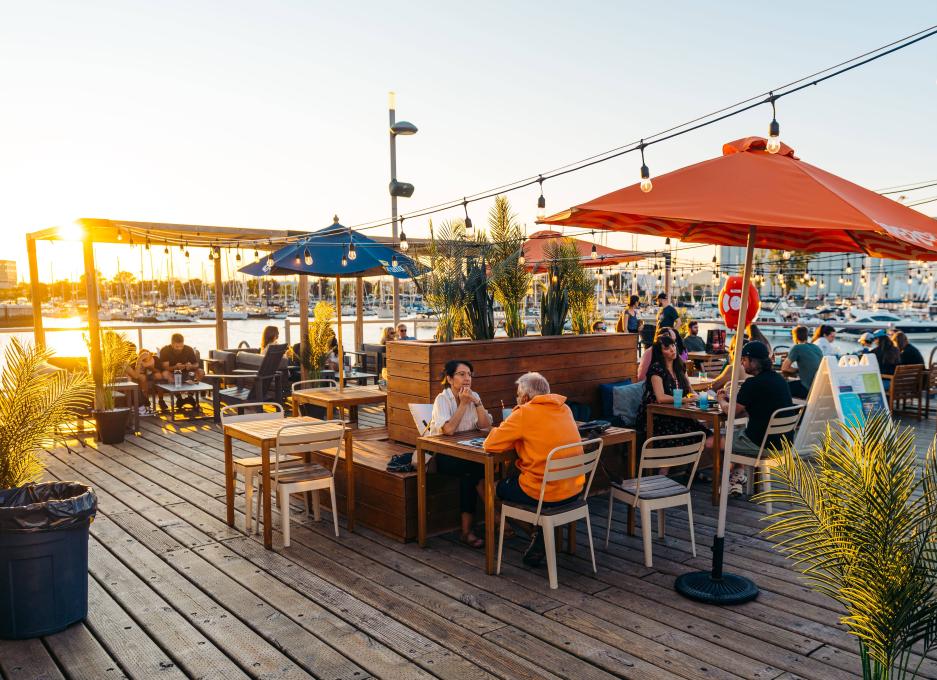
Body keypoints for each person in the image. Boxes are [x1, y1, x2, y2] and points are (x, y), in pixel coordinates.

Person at [484, 372, 585, 567]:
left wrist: (515, 413)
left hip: (545, 494)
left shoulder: (524, 412)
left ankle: (534, 531)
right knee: (519, 476)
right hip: (573, 490)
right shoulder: (564, 409)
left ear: (524, 397)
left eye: (517, 396)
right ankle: (540, 532)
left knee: (493, 488)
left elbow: (490, 444)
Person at [716, 341, 793, 497]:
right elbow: (759, 405)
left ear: (753, 361)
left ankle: (721, 486)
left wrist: (721, 400)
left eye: (744, 360)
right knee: (739, 435)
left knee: (714, 442)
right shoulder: (779, 380)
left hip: (761, 444)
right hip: (784, 444)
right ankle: (737, 477)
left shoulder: (752, 383)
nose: (742, 364)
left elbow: (731, 412)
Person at [430, 360, 492, 548]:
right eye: (462, 374)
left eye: (470, 374)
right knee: (474, 471)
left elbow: (484, 426)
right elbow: (448, 430)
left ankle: (467, 531)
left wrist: (477, 402)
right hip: (444, 455)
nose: (467, 378)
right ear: (449, 378)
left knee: (471, 474)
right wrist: (463, 404)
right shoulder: (442, 399)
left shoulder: (474, 396)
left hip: (468, 455)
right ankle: (496, 517)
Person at [635, 334, 709, 445]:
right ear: (660, 353)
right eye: (666, 348)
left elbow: (689, 389)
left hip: (679, 412)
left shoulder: (680, 366)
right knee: (694, 436)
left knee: (709, 436)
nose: (672, 349)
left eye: (673, 345)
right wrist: (686, 400)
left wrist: (697, 397)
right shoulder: (656, 369)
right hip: (658, 416)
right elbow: (661, 398)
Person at [157, 333, 204, 410]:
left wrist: (191, 366)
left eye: (181, 346)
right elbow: (165, 368)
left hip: (187, 372)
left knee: (201, 371)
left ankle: (190, 396)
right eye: (177, 347)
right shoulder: (165, 350)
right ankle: (179, 397)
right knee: (165, 374)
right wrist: (176, 367)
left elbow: (196, 364)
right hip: (172, 373)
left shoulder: (188, 349)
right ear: (172, 344)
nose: (179, 348)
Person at [781, 325, 823, 399]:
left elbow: (784, 368)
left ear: (795, 337)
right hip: (817, 388)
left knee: (781, 387)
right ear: (807, 336)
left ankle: (787, 409)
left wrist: (797, 370)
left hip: (806, 388)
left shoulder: (797, 347)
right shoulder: (816, 348)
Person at [125, 347, 158, 415]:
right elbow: (136, 375)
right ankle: (141, 409)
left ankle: (142, 406)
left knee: (136, 381)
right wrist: (139, 360)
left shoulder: (126, 361)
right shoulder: (123, 362)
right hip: (124, 383)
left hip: (126, 381)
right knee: (134, 382)